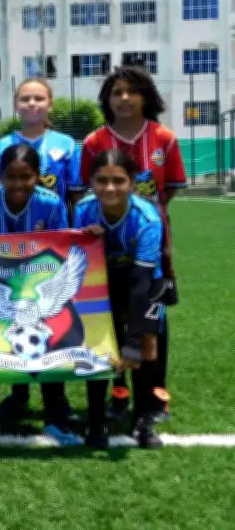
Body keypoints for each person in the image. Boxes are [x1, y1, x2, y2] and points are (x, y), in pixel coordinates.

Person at [0, 144, 83, 447]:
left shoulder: (51, 204)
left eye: (26, 177)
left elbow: (61, 249)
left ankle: (55, 419)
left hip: (38, 290)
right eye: (11, 177)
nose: (18, 184)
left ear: (37, 176)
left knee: (53, 347)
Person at [81, 66, 186, 422]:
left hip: (150, 244)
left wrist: (146, 214)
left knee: (153, 321)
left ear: (145, 96)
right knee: (108, 323)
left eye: (131, 91)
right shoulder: (94, 142)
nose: (124, 98)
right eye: (116, 92)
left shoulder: (165, 138)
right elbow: (86, 191)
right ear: (107, 100)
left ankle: (155, 397)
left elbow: (169, 189)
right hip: (104, 252)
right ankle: (118, 396)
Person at [0, 78, 84, 423]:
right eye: (25, 98)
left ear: (50, 103)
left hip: (48, 247)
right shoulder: (0, 146)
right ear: (16, 104)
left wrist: (72, 240)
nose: (32, 104)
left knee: (50, 321)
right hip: (7, 256)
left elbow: (73, 196)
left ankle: (55, 396)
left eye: (39, 98)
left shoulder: (66, 145)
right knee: (18, 324)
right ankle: (17, 393)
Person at [75, 149, 167, 449]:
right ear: (91, 182)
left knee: (145, 353)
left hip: (144, 283)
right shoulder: (85, 210)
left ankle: (142, 420)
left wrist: (134, 338)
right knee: (99, 348)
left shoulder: (147, 218)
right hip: (104, 284)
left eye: (118, 180)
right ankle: (97, 418)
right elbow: (81, 259)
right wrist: (91, 239)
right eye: (102, 180)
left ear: (133, 184)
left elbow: (142, 281)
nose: (110, 188)